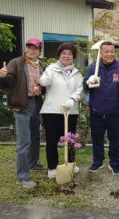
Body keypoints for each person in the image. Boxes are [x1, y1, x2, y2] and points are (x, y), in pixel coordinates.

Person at [0, 38, 45, 189]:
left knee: (35, 137)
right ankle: (22, 177)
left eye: (35, 48)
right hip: (21, 105)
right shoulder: (16, 63)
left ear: (39, 51)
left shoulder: (42, 66)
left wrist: (41, 90)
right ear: (25, 49)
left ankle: (33, 163)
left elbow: (45, 84)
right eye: (29, 47)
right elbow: (6, 83)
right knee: (24, 142)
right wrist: (2, 76)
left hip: (35, 103)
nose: (31, 50)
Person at [83, 41, 119, 175]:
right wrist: (88, 81)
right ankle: (97, 161)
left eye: (112, 51)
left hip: (114, 111)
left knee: (114, 138)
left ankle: (114, 163)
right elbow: (85, 85)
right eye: (107, 51)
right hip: (96, 110)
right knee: (97, 138)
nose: (110, 54)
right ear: (101, 53)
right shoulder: (94, 67)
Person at [39, 43, 83, 179]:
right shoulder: (51, 69)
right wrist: (43, 79)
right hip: (52, 111)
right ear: (59, 55)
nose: (66, 56)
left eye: (69, 54)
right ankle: (52, 167)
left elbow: (80, 90)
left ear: (73, 57)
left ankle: (70, 163)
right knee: (51, 140)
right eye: (64, 53)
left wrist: (72, 99)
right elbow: (44, 82)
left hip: (70, 111)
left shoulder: (77, 74)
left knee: (69, 139)